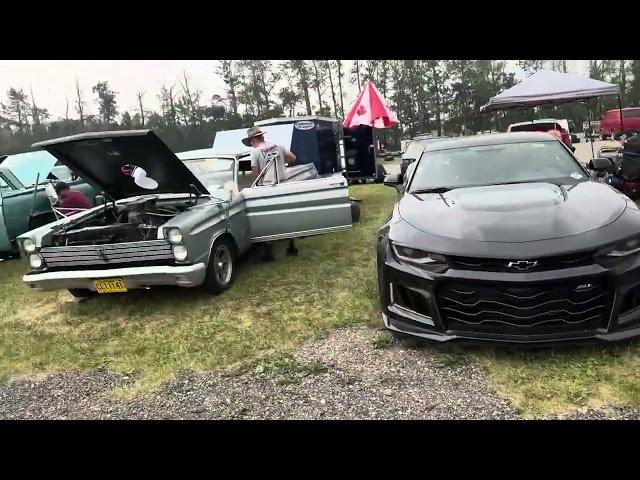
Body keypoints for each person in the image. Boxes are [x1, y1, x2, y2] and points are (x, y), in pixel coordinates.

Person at [241, 126, 298, 261]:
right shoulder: (278, 146)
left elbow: (256, 173)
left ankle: (268, 253)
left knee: (268, 218)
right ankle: (292, 246)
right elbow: (293, 158)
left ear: (253, 139)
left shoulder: (254, 152)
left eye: (251, 141)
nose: (251, 144)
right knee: (287, 215)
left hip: (267, 188)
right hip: (282, 185)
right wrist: (279, 162)